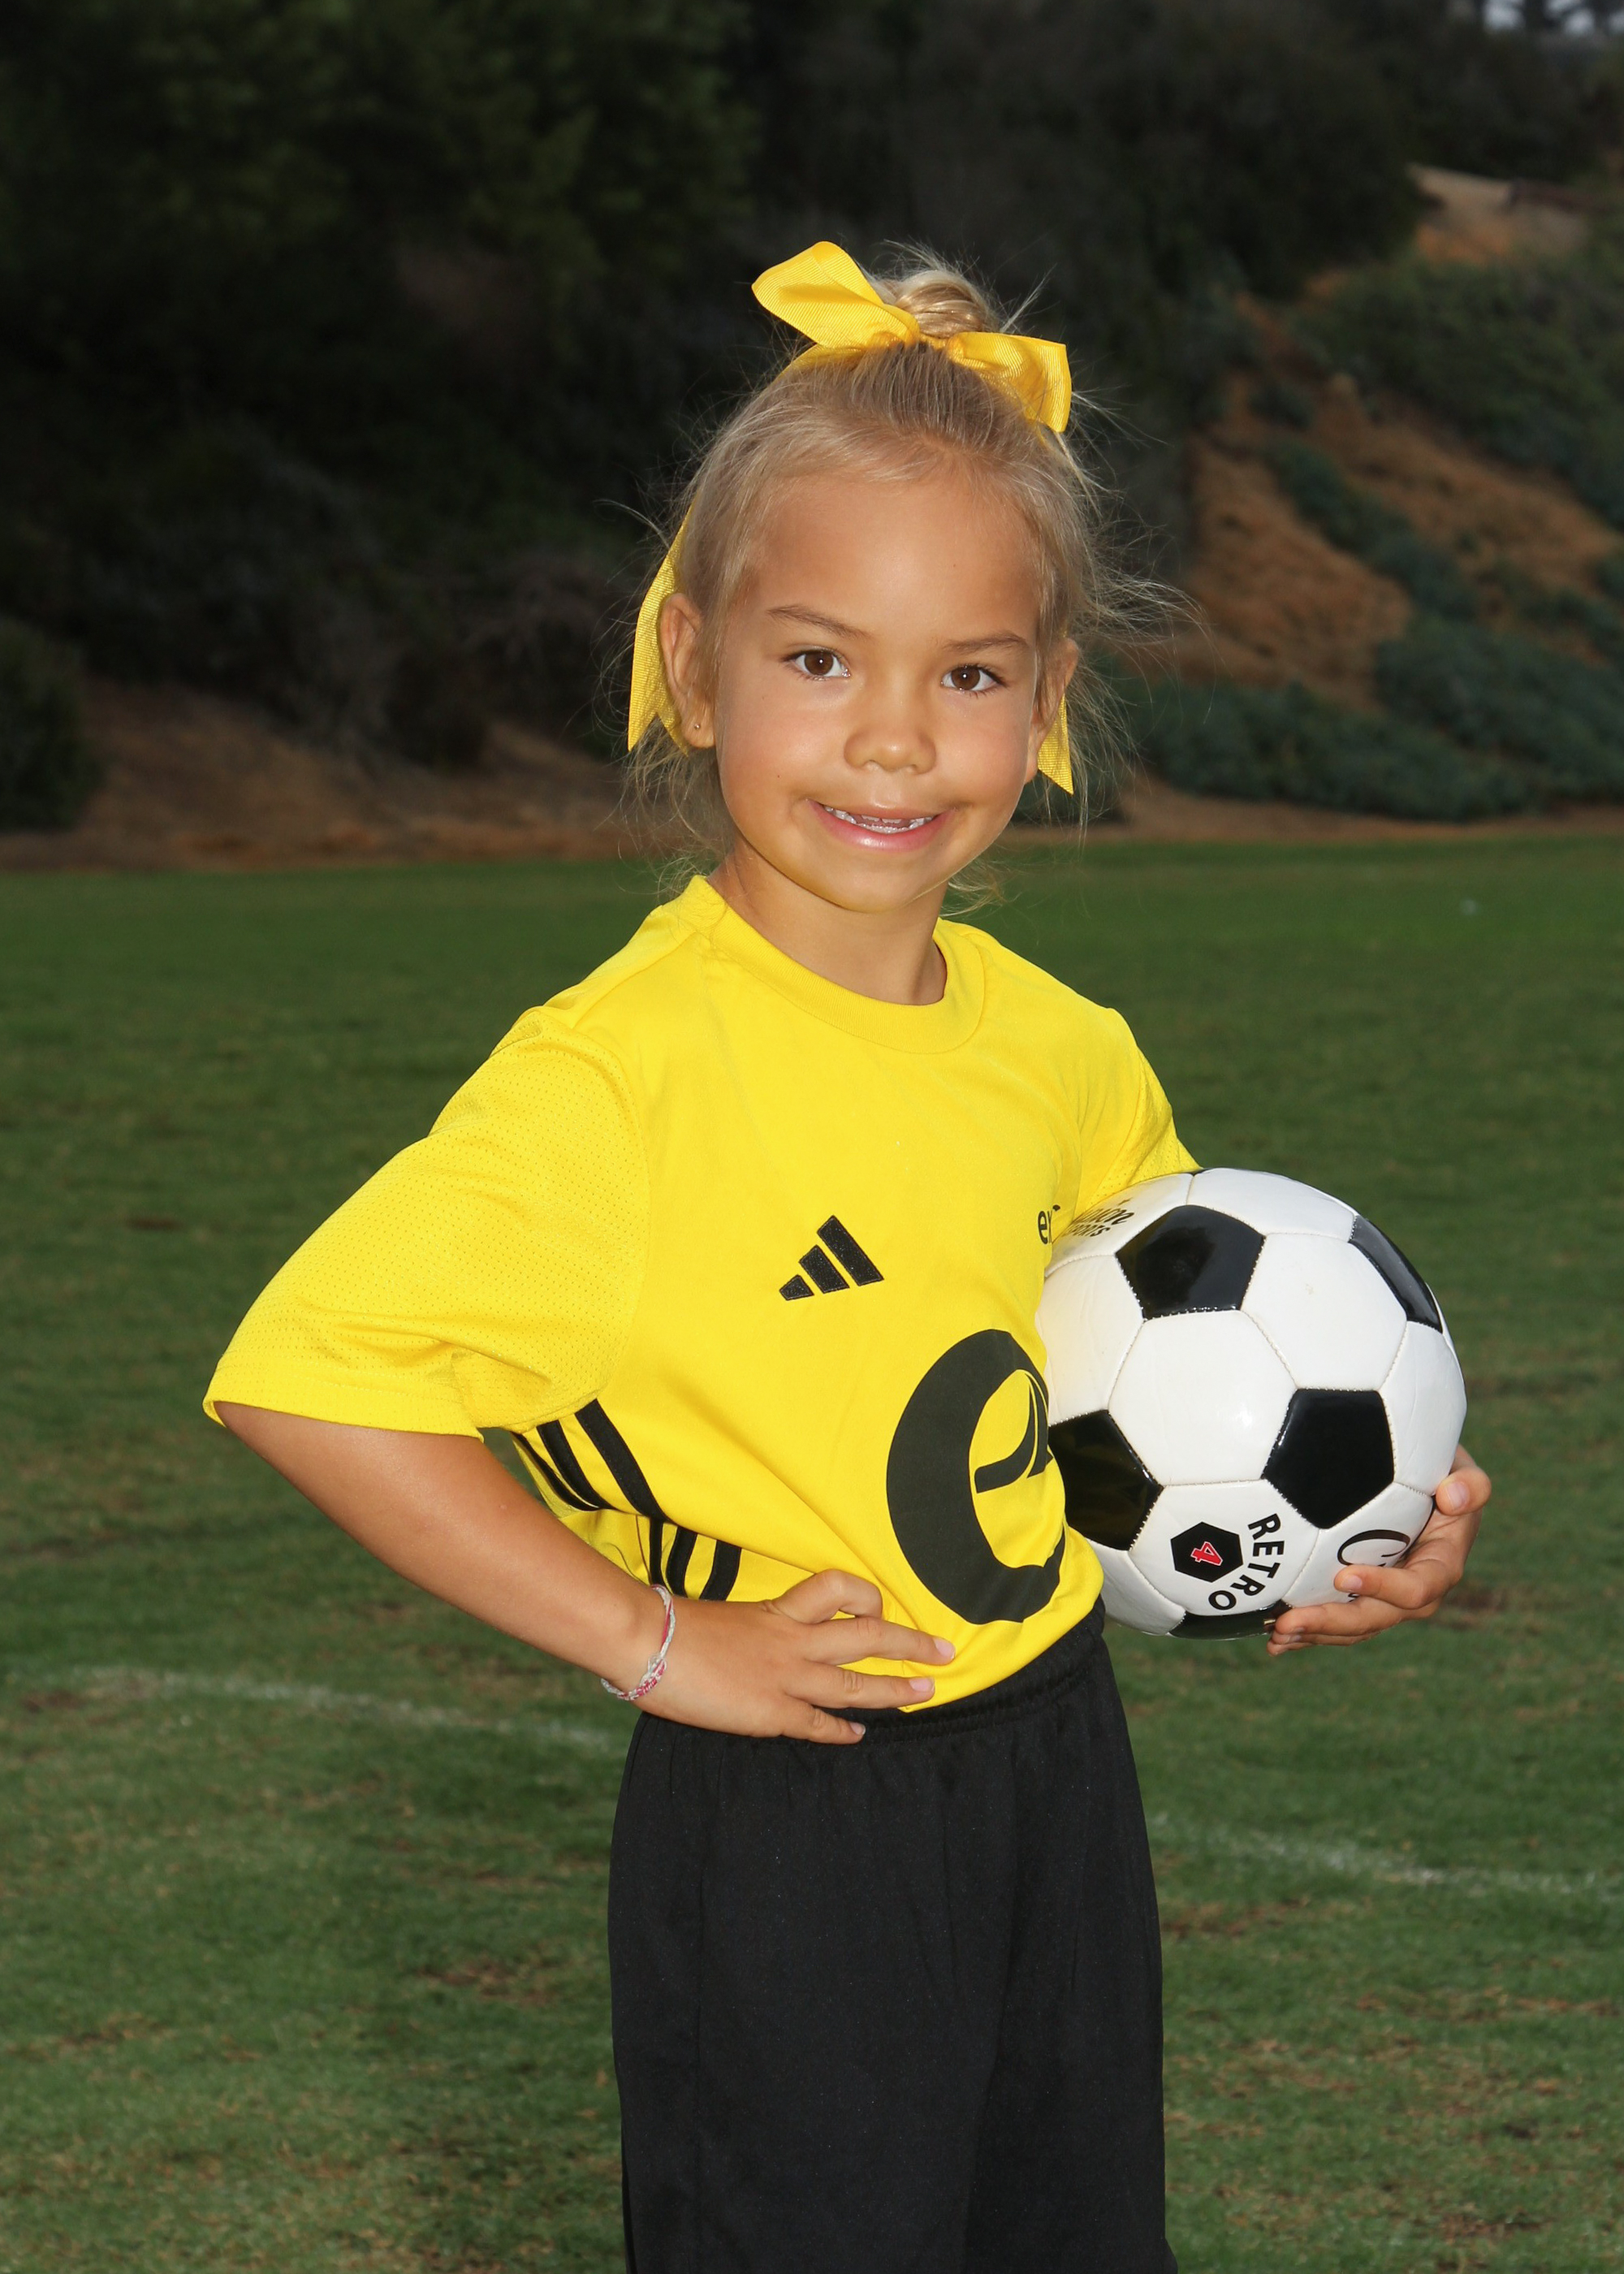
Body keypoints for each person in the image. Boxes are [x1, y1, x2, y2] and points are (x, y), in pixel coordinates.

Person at [207, 242, 1491, 2274]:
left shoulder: (1065, 1052)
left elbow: (1180, 1380)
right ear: (691, 661)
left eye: (967, 674)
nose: (893, 739)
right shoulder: (620, 1076)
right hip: (787, 1807)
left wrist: (1364, 1515)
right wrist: (655, 1638)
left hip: (1055, 1763)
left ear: (1046, 706)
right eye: (819, 660)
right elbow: (311, 1377)